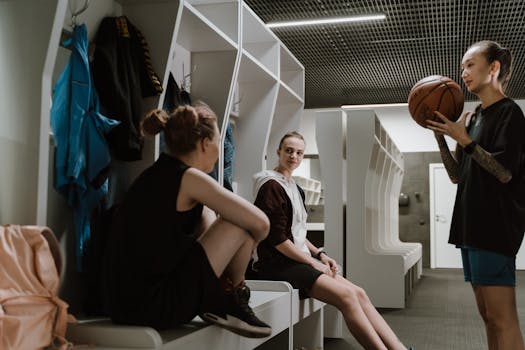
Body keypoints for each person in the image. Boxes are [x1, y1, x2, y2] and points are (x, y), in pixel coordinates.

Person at [105, 103, 272, 338]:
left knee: (215, 215)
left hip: (126, 305)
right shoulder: (189, 177)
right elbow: (262, 223)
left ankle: (221, 296)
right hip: (155, 306)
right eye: (217, 140)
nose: (219, 148)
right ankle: (234, 296)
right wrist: (247, 249)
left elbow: (206, 228)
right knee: (239, 223)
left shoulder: (155, 174)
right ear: (205, 143)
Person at [252, 131, 411, 350]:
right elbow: (278, 240)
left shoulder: (295, 188)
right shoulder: (270, 185)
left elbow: (297, 234)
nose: (293, 156)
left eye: (299, 152)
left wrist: (320, 254)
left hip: (296, 261)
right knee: (347, 297)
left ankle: (399, 348)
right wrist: (312, 263)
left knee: (359, 293)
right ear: (278, 152)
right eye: (288, 150)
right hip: (277, 264)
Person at [427, 40, 525, 350]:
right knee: (486, 315)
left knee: (503, 317)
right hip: (470, 226)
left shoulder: (510, 113)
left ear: (493, 68)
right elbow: (458, 175)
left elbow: (505, 172)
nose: (464, 73)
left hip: (494, 227)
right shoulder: (473, 118)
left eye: (471, 65)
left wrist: (466, 141)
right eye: (462, 68)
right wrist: (444, 139)